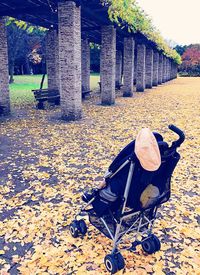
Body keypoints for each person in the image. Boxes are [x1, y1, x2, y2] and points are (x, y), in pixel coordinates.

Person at [82, 128, 162, 214]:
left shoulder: (134, 163)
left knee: (113, 183)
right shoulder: (160, 161)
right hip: (145, 198)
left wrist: (103, 182)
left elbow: (113, 170)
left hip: (123, 194)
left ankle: (98, 199)